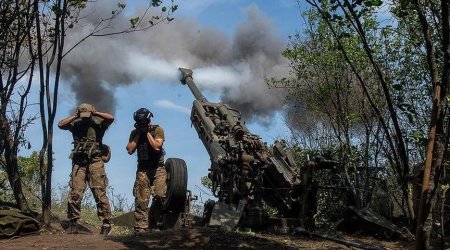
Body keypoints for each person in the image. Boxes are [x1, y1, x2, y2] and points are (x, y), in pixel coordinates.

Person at [58, 103, 114, 236]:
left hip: (95, 161)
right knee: (75, 193)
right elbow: (60, 125)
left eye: (86, 115)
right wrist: (75, 115)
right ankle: (73, 222)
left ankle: (106, 224)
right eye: (82, 116)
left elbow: (111, 118)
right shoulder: (75, 124)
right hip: (79, 162)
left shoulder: (98, 124)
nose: (84, 118)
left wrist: (96, 113)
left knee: (99, 193)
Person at [126, 108, 166, 235]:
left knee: (160, 195)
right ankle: (141, 227)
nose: (142, 124)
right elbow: (130, 149)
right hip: (143, 169)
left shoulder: (157, 130)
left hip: (158, 168)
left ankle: (152, 219)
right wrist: (139, 133)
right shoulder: (134, 132)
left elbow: (156, 146)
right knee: (141, 199)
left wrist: (147, 132)